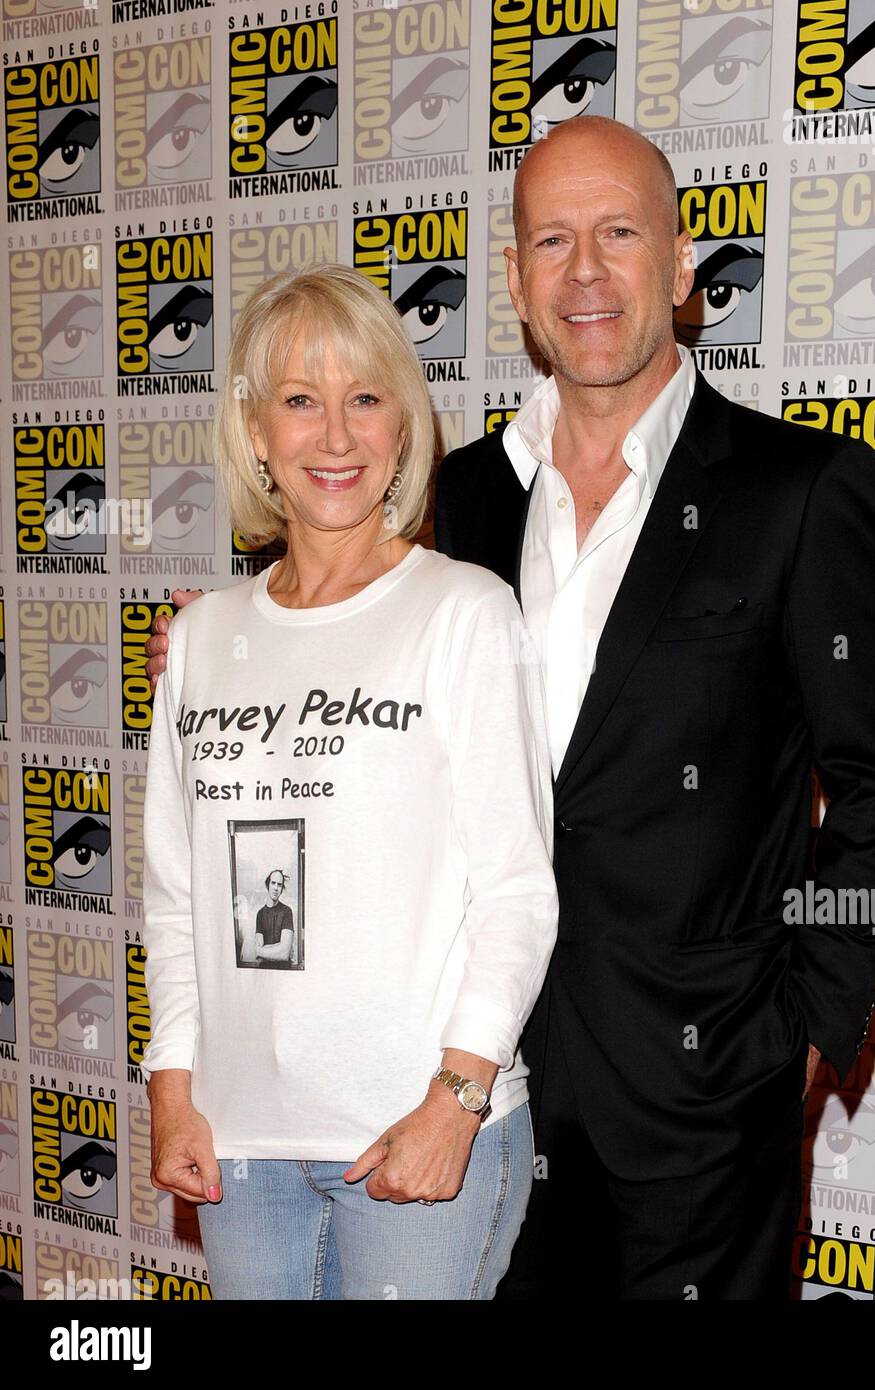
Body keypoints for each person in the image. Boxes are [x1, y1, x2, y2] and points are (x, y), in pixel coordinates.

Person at [146, 117, 875, 1300]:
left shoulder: (797, 490)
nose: (584, 270)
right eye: (550, 240)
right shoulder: (455, 501)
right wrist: (215, 646)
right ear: (513, 283)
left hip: (700, 1089)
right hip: (473, 1097)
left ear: (678, 267)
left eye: (617, 233)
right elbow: (348, 654)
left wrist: (814, 1020)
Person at [140, 262, 558, 1300]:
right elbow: (176, 897)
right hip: (240, 1144)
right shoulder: (200, 640)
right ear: (254, 433)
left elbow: (516, 887)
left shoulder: (464, 611)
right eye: (299, 400)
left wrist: (455, 1099)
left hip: (412, 1136)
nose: (335, 435)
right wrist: (173, 1087)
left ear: (403, 425)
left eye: (364, 397)